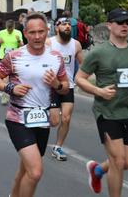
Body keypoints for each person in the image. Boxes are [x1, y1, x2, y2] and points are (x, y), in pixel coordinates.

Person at [0, 12, 69, 197]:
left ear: (47, 31)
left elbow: (65, 87)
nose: (37, 36)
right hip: (18, 118)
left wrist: (56, 84)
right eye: (32, 32)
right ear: (25, 33)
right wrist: (10, 88)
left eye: (41, 31)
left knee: (25, 170)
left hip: (42, 119)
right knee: (35, 172)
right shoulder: (15, 56)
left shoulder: (56, 57)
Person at [75, 8, 128, 196]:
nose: (125, 26)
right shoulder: (98, 52)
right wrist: (97, 90)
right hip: (106, 112)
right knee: (117, 161)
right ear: (109, 25)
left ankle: (98, 170)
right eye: (120, 22)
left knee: (127, 162)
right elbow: (80, 78)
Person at [47, 17, 83, 161]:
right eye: (63, 24)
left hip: (68, 86)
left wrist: (80, 78)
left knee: (66, 118)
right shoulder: (49, 43)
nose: (67, 26)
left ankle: (57, 147)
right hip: (50, 86)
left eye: (69, 24)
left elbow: (84, 65)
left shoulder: (76, 44)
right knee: (54, 121)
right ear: (56, 28)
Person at [0, 19, 23, 105]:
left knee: (15, 77)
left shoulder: (18, 33)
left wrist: (18, 40)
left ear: (14, 27)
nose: (10, 30)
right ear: (6, 27)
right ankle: (5, 95)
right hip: (4, 57)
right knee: (6, 78)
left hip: (15, 58)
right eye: (8, 29)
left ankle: (15, 93)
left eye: (11, 29)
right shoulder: (2, 32)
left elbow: (21, 45)